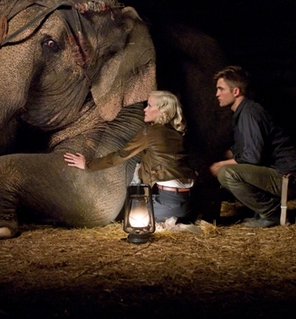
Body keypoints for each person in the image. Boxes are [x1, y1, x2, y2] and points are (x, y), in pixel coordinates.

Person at [64, 90, 198, 230]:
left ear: (162, 111)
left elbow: (120, 155)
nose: (144, 109)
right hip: (188, 201)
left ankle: (171, 221)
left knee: (131, 216)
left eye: (149, 106)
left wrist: (87, 165)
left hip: (167, 201)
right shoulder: (177, 133)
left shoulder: (149, 131)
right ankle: (180, 219)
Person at [209, 66, 296, 228]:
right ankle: (265, 210)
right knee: (224, 168)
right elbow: (240, 150)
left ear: (236, 91)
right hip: (277, 174)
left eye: (221, 89)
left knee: (226, 173)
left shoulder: (249, 114)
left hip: (287, 179)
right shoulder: (243, 111)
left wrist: (221, 165)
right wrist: (214, 158)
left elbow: (252, 157)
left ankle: (272, 212)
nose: (217, 94)